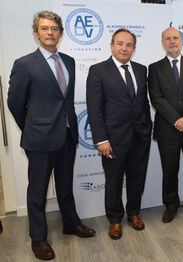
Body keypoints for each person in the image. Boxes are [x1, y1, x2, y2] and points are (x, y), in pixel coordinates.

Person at [7, 11, 95, 260]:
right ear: (36, 33)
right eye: (44, 29)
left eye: (54, 29)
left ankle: (71, 223)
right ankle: (38, 238)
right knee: (37, 192)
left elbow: (64, 100)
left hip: (67, 135)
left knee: (66, 186)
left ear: (60, 33)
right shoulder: (24, 64)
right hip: (40, 139)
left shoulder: (68, 61)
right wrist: (33, 128)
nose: (50, 33)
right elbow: (15, 103)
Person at [86, 28, 152, 240]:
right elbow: (94, 109)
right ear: (112, 46)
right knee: (113, 181)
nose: (124, 48)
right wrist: (101, 139)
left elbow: (142, 102)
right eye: (120, 44)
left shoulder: (142, 70)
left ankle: (133, 213)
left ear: (134, 48)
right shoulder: (98, 70)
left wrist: (146, 128)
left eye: (129, 45)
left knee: (136, 178)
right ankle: (115, 220)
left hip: (140, 137)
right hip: (112, 140)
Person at [148, 27, 183, 223]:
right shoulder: (154, 68)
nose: (172, 41)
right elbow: (156, 98)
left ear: (181, 41)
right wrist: (178, 121)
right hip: (167, 129)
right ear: (163, 42)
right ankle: (171, 205)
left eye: (175, 38)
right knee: (169, 169)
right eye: (168, 39)